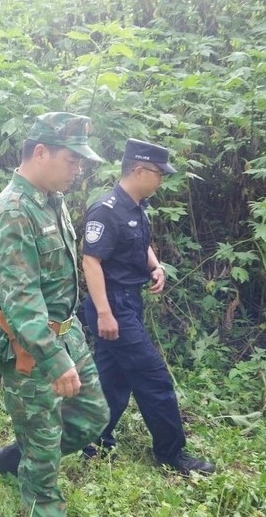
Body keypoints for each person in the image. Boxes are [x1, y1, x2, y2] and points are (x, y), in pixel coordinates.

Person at [0, 112, 110, 517]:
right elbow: (21, 300)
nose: (77, 170)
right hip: (29, 345)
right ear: (40, 152)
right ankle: (37, 479)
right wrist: (54, 359)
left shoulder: (52, 200)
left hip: (65, 334)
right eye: (71, 160)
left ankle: (21, 456)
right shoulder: (12, 211)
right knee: (43, 448)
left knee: (93, 416)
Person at [80, 139, 215, 475]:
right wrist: (105, 313)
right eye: (158, 174)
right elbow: (91, 262)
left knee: (111, 378)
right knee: (154, 378)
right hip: (113, 305)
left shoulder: (136, 207)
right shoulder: (106, 209)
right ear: (138, 170)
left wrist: (156, 266)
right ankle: (172, 455)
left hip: (128, 302)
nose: (161, 180)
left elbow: (139, 243)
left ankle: (94, 440)